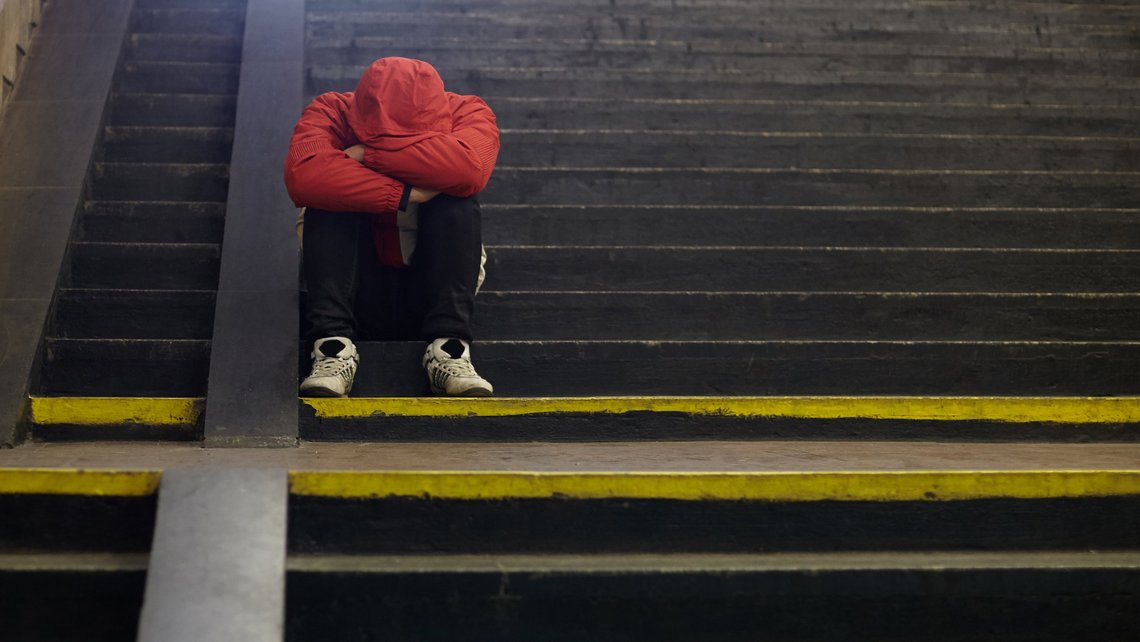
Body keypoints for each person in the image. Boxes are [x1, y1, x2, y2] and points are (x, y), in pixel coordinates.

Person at [284, 57, 499, 397]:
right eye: (383, 132)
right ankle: (332, 349)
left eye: (407, 134)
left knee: (458, 200)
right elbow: (304, 176)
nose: (394, 137)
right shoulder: (331, 110)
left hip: (430, 294)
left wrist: (365, 154)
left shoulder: (467, 111)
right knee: (328, 198)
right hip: (353, 294)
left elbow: (470, 171)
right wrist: (404, 193)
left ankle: (450, 350)